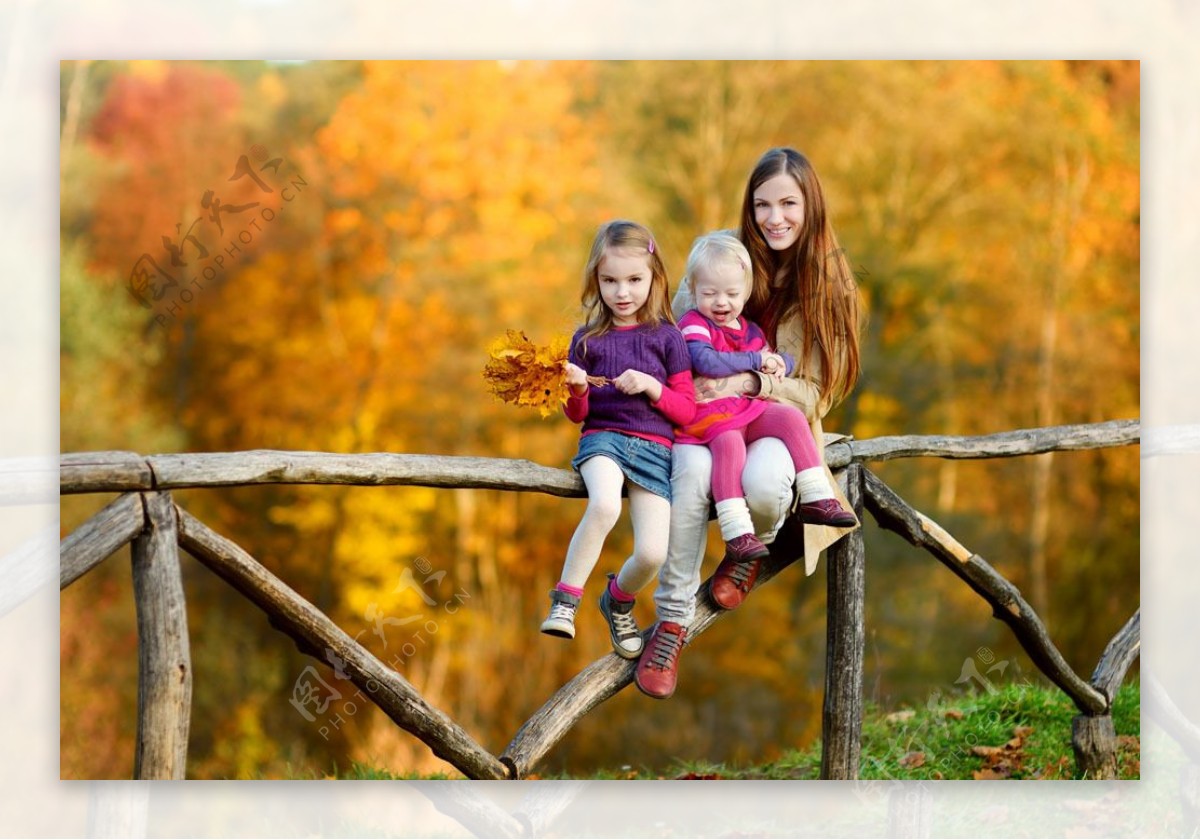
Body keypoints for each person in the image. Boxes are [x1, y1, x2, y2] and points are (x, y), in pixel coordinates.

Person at [636, 148, 864, 699]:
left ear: (811, 206)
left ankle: (750, 549)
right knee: (689, 478)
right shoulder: (724, 260)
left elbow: (815, 392)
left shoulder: (829, 287)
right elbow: (677, 340)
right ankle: (671, 624)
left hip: (775, 415)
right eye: (762, 204)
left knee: (764, 487)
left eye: (789, 203)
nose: (775, 217)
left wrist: (748, 383)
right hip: (702, 420)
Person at [541, 220, 697, 660]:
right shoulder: (586, 340)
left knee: (652, 553)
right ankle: (565, 601)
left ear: (655, 278)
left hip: (655, 451)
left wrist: (651, 386)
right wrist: (576, 387)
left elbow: (686, 411)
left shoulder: (668, 338)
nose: (622, 292)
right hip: (603, 441)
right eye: (609, 281)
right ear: (596, 281)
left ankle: (617, 600)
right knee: (606, 504)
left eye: (634, 280)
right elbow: (578, 416)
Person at [673, 232, 856, 601]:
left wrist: (778, 362)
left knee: (789, 420)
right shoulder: (694, 323)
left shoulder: (747, 329)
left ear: (746, 293)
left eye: (731, 294)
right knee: (729, 448)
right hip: (712, 418)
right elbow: (705, 361)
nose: (721, 303)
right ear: (694, 292)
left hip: (745, 409)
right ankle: (737, 530)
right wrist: (757, 362)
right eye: (710, 294)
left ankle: (816, 494)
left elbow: (779, 362)